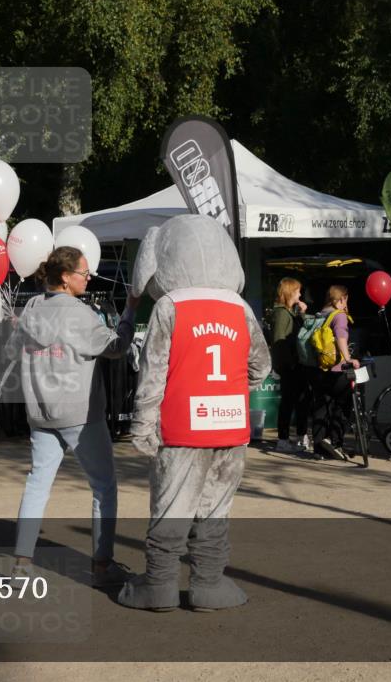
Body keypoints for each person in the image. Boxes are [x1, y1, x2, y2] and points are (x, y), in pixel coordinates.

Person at [117, 215, 271, 612]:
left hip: (181, 428)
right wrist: (233, 391)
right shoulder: (239, 307)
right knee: (215, 510)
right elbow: (261, 366)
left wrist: (143, 425)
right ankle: (208, 583)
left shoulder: (169, 306)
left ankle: (160, 585)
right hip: (230, 428)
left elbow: (152, 374)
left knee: (172, 509)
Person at [8, 246, 139, 587]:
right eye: (84, 272)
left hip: (41, 412)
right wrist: (129, 311)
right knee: (104, 487)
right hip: (81, 413)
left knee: (37, 485)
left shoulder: (32, 308)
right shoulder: (80, 314)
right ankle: (102, 566)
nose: (89, 277)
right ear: (66, 277)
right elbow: (117, 347)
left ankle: (22, 565)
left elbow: (13, 349)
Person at [312, 285, 360, 461]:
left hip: (319, 368)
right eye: (346, 300)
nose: (346, 303)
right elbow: (341, 337)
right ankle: (336, 443)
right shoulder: (339, 316)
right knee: (342, 405)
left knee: (322, 407)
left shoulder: (320, 314)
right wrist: (348, 359)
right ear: (341, 299)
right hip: (336, 369)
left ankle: (318, 448)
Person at [270, 277, 312, 453]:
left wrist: (302, 313)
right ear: (290, 292)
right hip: (290, 366)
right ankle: (283, 439)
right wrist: (286, 365)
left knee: (301, 401)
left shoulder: (289, 312)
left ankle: (300, 436)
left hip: (295, 365)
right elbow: (279, 341)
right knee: (289, 402)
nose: (300, 294)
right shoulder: (281, 313)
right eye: (297, 291)